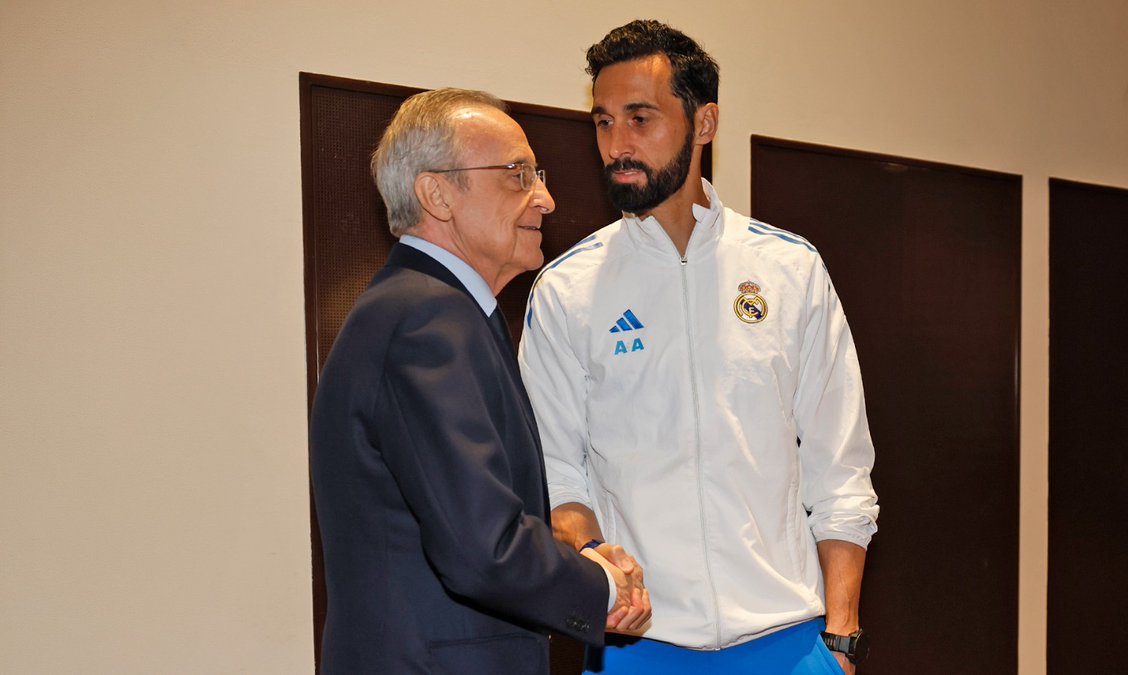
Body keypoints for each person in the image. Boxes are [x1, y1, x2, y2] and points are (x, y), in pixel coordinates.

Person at [518, 20, 879, 674]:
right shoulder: (566, 290)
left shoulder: (790, 270)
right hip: (638, 649)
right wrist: (600, 559)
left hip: (789, 643)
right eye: (602, 122)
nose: (616, 144)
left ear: (704, 123)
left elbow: (841, 470)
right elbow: (555, 478)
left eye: (640, 118)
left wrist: (842, 636)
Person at [309, 88, 650, 675]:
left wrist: (577, 553)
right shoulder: (427, 320)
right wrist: (604, 589)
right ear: (436, 194)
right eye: (518, 175)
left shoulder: (426, 311)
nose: (545, 198)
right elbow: (482, 548)